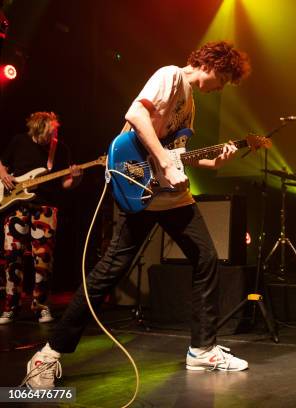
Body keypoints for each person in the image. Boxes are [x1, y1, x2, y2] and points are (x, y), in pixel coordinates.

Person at [22, 41, 251, 389]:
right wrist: (161, 160)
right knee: (107, 274)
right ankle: (48, 354)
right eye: (225, 80)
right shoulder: (170, 76)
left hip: (170, 196)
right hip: (138, 186)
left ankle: (202, 350)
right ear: (215, 66)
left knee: (206, 258)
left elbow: (177, 154)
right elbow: (136, 114)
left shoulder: (190, 104)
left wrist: (212, 161)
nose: (222, 88)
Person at [0, 111, 83, 325]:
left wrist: (75, 180)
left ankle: (42, 307)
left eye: (54, 131)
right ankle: (10, 307)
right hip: (16, 206)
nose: (52, 135)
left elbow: (64, 184)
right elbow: (1, 164)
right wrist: (4, 175)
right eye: (49, 131)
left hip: (45, 208)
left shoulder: (60, 149)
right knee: (12, 258)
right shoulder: (19, 141)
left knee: (43, 259)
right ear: (38, 129)